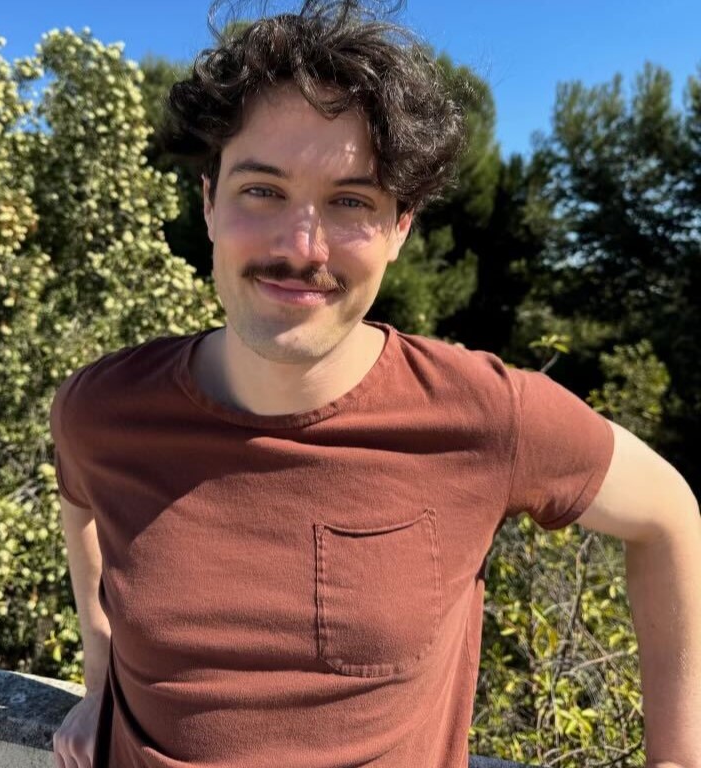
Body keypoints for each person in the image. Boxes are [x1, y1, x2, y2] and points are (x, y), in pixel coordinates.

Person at [50, 2, 701, 767]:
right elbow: (81, 506)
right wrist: (100, 677)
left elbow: (670, 516)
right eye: (262, 190)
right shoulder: (104, 409)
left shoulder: (485, 416)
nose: (302, 246)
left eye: (351, 201)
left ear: (400, 229)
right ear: (209, 201)